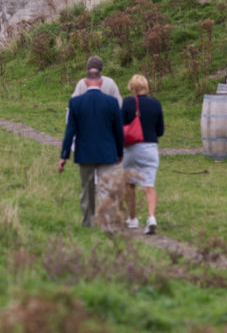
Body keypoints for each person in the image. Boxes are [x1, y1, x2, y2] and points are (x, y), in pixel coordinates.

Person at [59, 67, 124, 227]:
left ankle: (87, 221)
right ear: (101, 82)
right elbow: (118, 130)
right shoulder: (112, 102)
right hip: (107, 152)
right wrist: (120, 152)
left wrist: (64, 156)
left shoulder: (75, 103)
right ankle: (106, 222)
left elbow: (70, 131)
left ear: (86, 82)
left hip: (85, 152)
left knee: (87, 189)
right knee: (105, 188)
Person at [121, 74, 164, 235]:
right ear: (146, 87)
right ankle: (151, 217)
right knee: (149, 186)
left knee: (129, 184)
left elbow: (120, 127)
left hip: (131, 149)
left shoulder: (127, 103)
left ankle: (132, 219)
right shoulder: (156, 104)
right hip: (150, 149)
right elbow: (160, 130)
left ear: (132, 88)